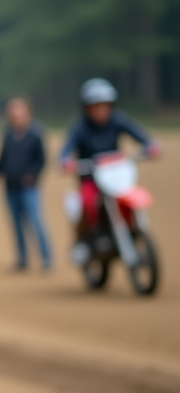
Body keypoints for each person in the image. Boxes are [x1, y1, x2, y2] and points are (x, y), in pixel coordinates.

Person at [59, 78, 161, 263]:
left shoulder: (117, 120)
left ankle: (132, 231)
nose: (100, 110)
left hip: (116, 177)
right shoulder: (80, 126)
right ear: (86, 108)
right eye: (95, 106)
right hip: (90, 178)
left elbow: (139, 134)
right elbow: (67, 147)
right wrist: (65, 161)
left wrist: (150, 145)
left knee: (128, 200)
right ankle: (87, 239)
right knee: (88, 202)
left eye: (104, 105)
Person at [0, 96, 51, 272]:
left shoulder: (35, 134)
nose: (15, 116)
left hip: (28, 188)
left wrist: (33, 175)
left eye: (19, 112)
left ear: (28, 113)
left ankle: (46, 259)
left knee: (36, 222)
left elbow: (42, 160)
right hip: (10, 186)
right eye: (12, 113)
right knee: (16, 225)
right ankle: (22, 259)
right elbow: (2, 159)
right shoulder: (7, 133)